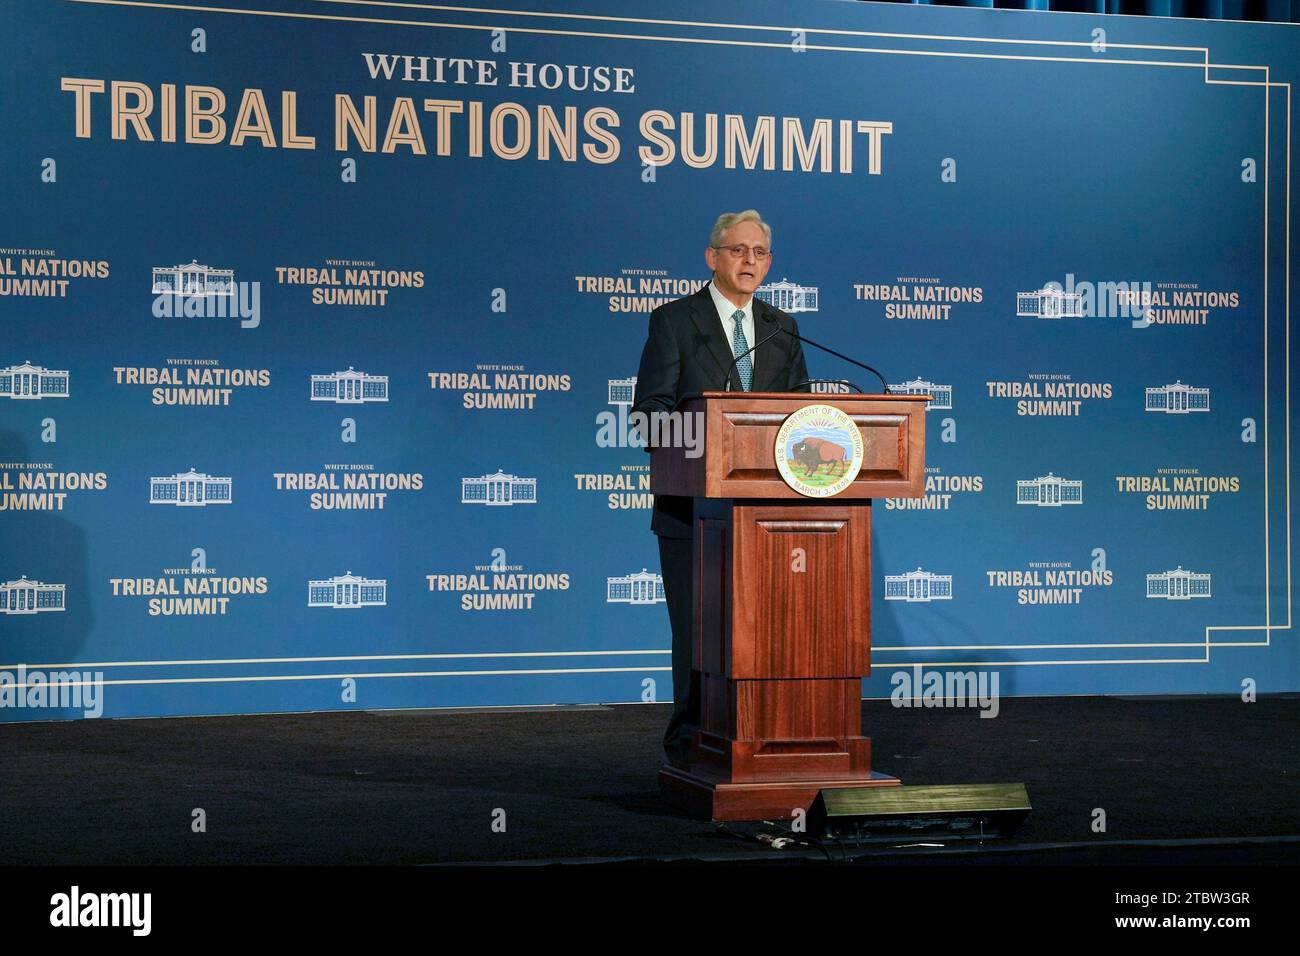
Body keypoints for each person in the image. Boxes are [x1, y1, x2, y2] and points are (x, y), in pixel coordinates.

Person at [631, 209, 810, 766]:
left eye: (759, 252)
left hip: (769, 515)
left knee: (766, 633)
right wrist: (709, 441)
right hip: (693, 509)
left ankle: (767, 736)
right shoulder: (675, 320)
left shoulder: (782, 328)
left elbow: (801, 415)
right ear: (712, 257)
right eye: (738, 250)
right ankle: (690, 745)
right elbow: (649, 414)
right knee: (696, 634)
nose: (749, 261)